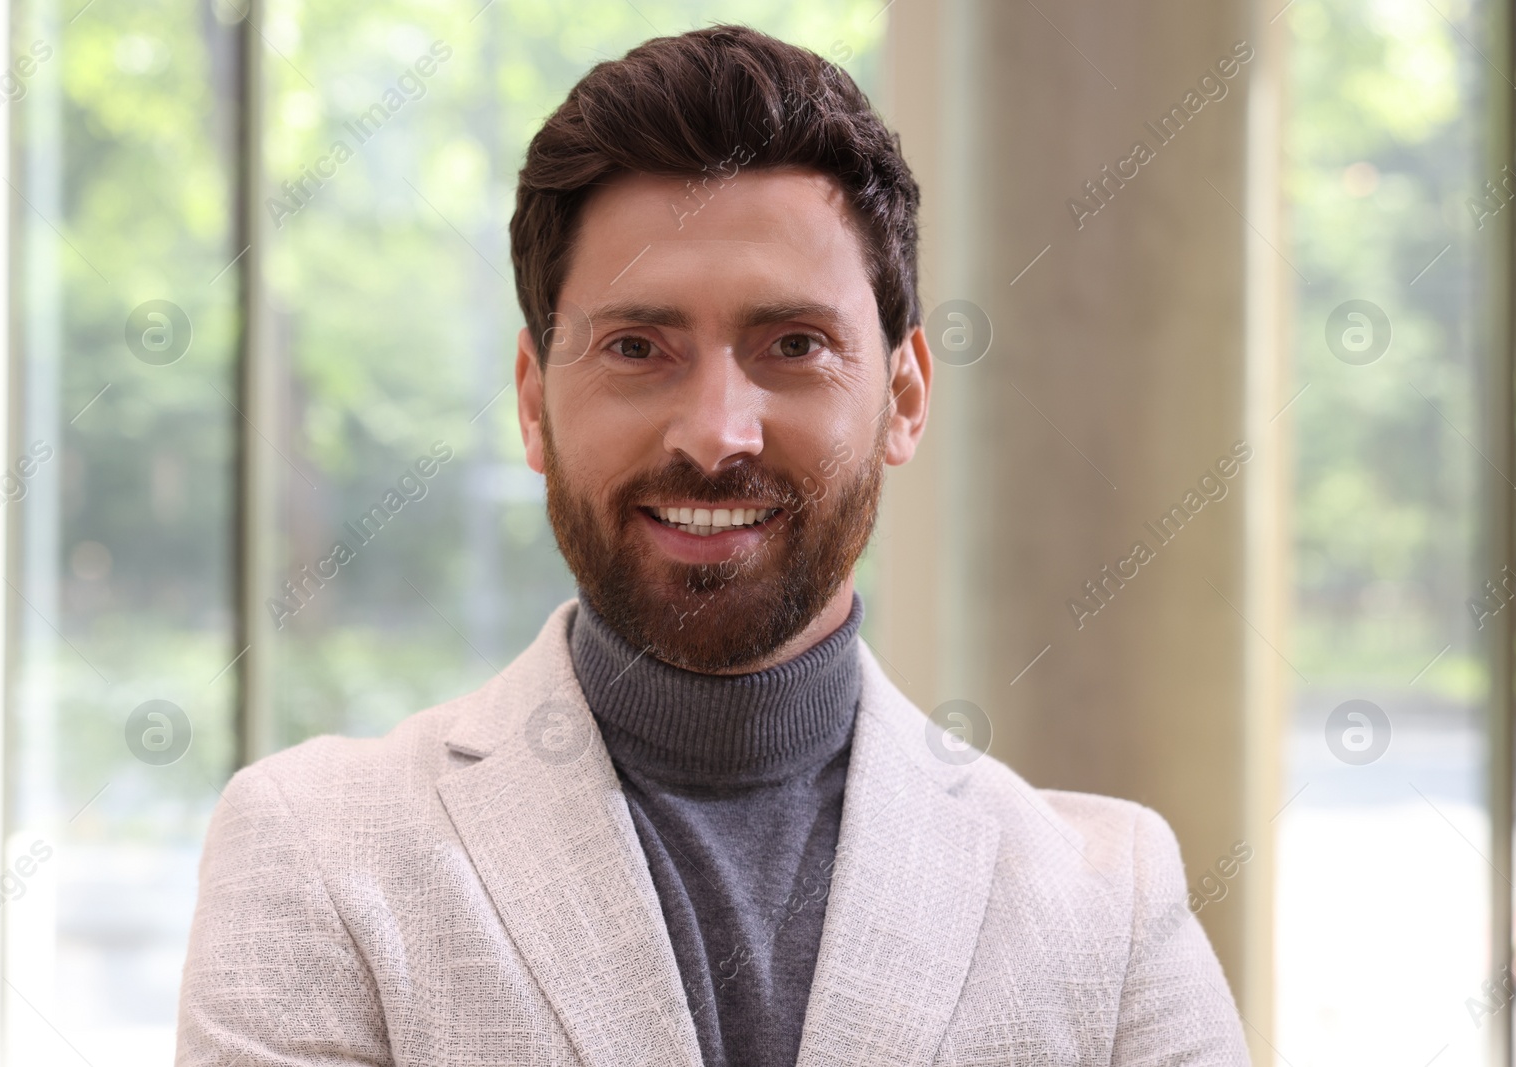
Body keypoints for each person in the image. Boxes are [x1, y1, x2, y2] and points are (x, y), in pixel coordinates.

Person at [177, 24, 1249, 1067]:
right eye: (637, 346)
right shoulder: (319, 850)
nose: (715, 432)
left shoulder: (1108, 907)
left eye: (794, 345)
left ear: (904, 397)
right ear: (533, 403)